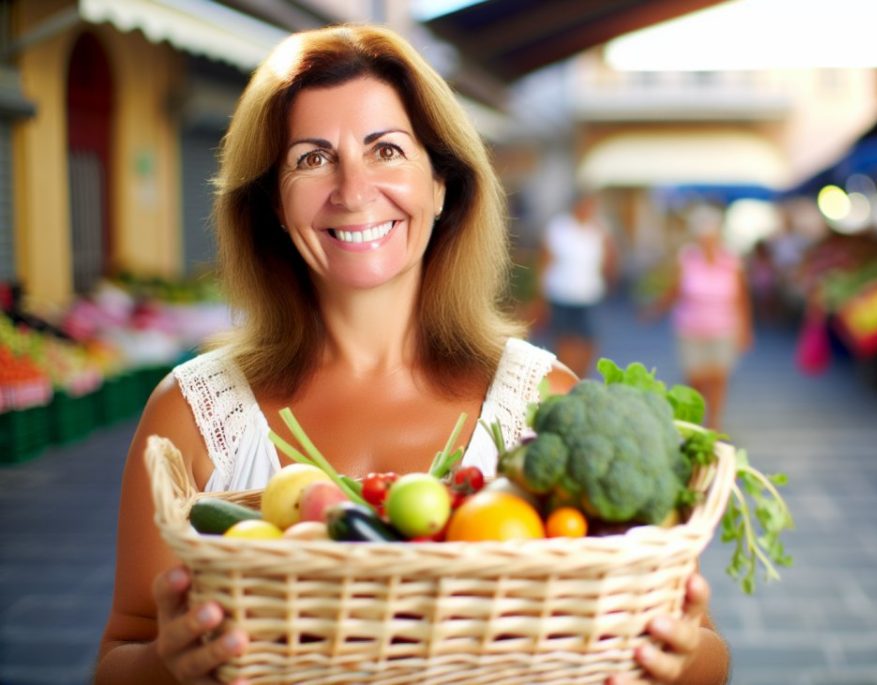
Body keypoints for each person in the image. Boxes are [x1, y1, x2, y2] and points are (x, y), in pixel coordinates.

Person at [93, 24, 728, 685]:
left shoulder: (545, 400)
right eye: (312, 159)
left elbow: (707, 656)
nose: (353, 189)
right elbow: (118, 657)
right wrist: (169, 663)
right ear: (274, 205)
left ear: (442, 184)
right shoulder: (191, 414)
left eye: (386, 149)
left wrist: (677, 656)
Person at [651, 204, 753, 432]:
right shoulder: (687, 258)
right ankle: (695, 423)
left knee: (718, 378)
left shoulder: (731, 260)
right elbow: (675, 289)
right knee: (695, 378)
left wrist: (745, 329)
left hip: (723, 327)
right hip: (691, 327)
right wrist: (656, 309)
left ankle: (714, 423)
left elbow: (741, 298)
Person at [535, 191, 618, 377]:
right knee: (565, 341)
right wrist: (541, 295)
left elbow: (609, 259)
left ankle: (579, 377)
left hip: (589, 293)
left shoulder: (598, 229)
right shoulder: (559, 228)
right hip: (562, 292)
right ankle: (565, 377)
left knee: (589, 341)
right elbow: (545, 261)